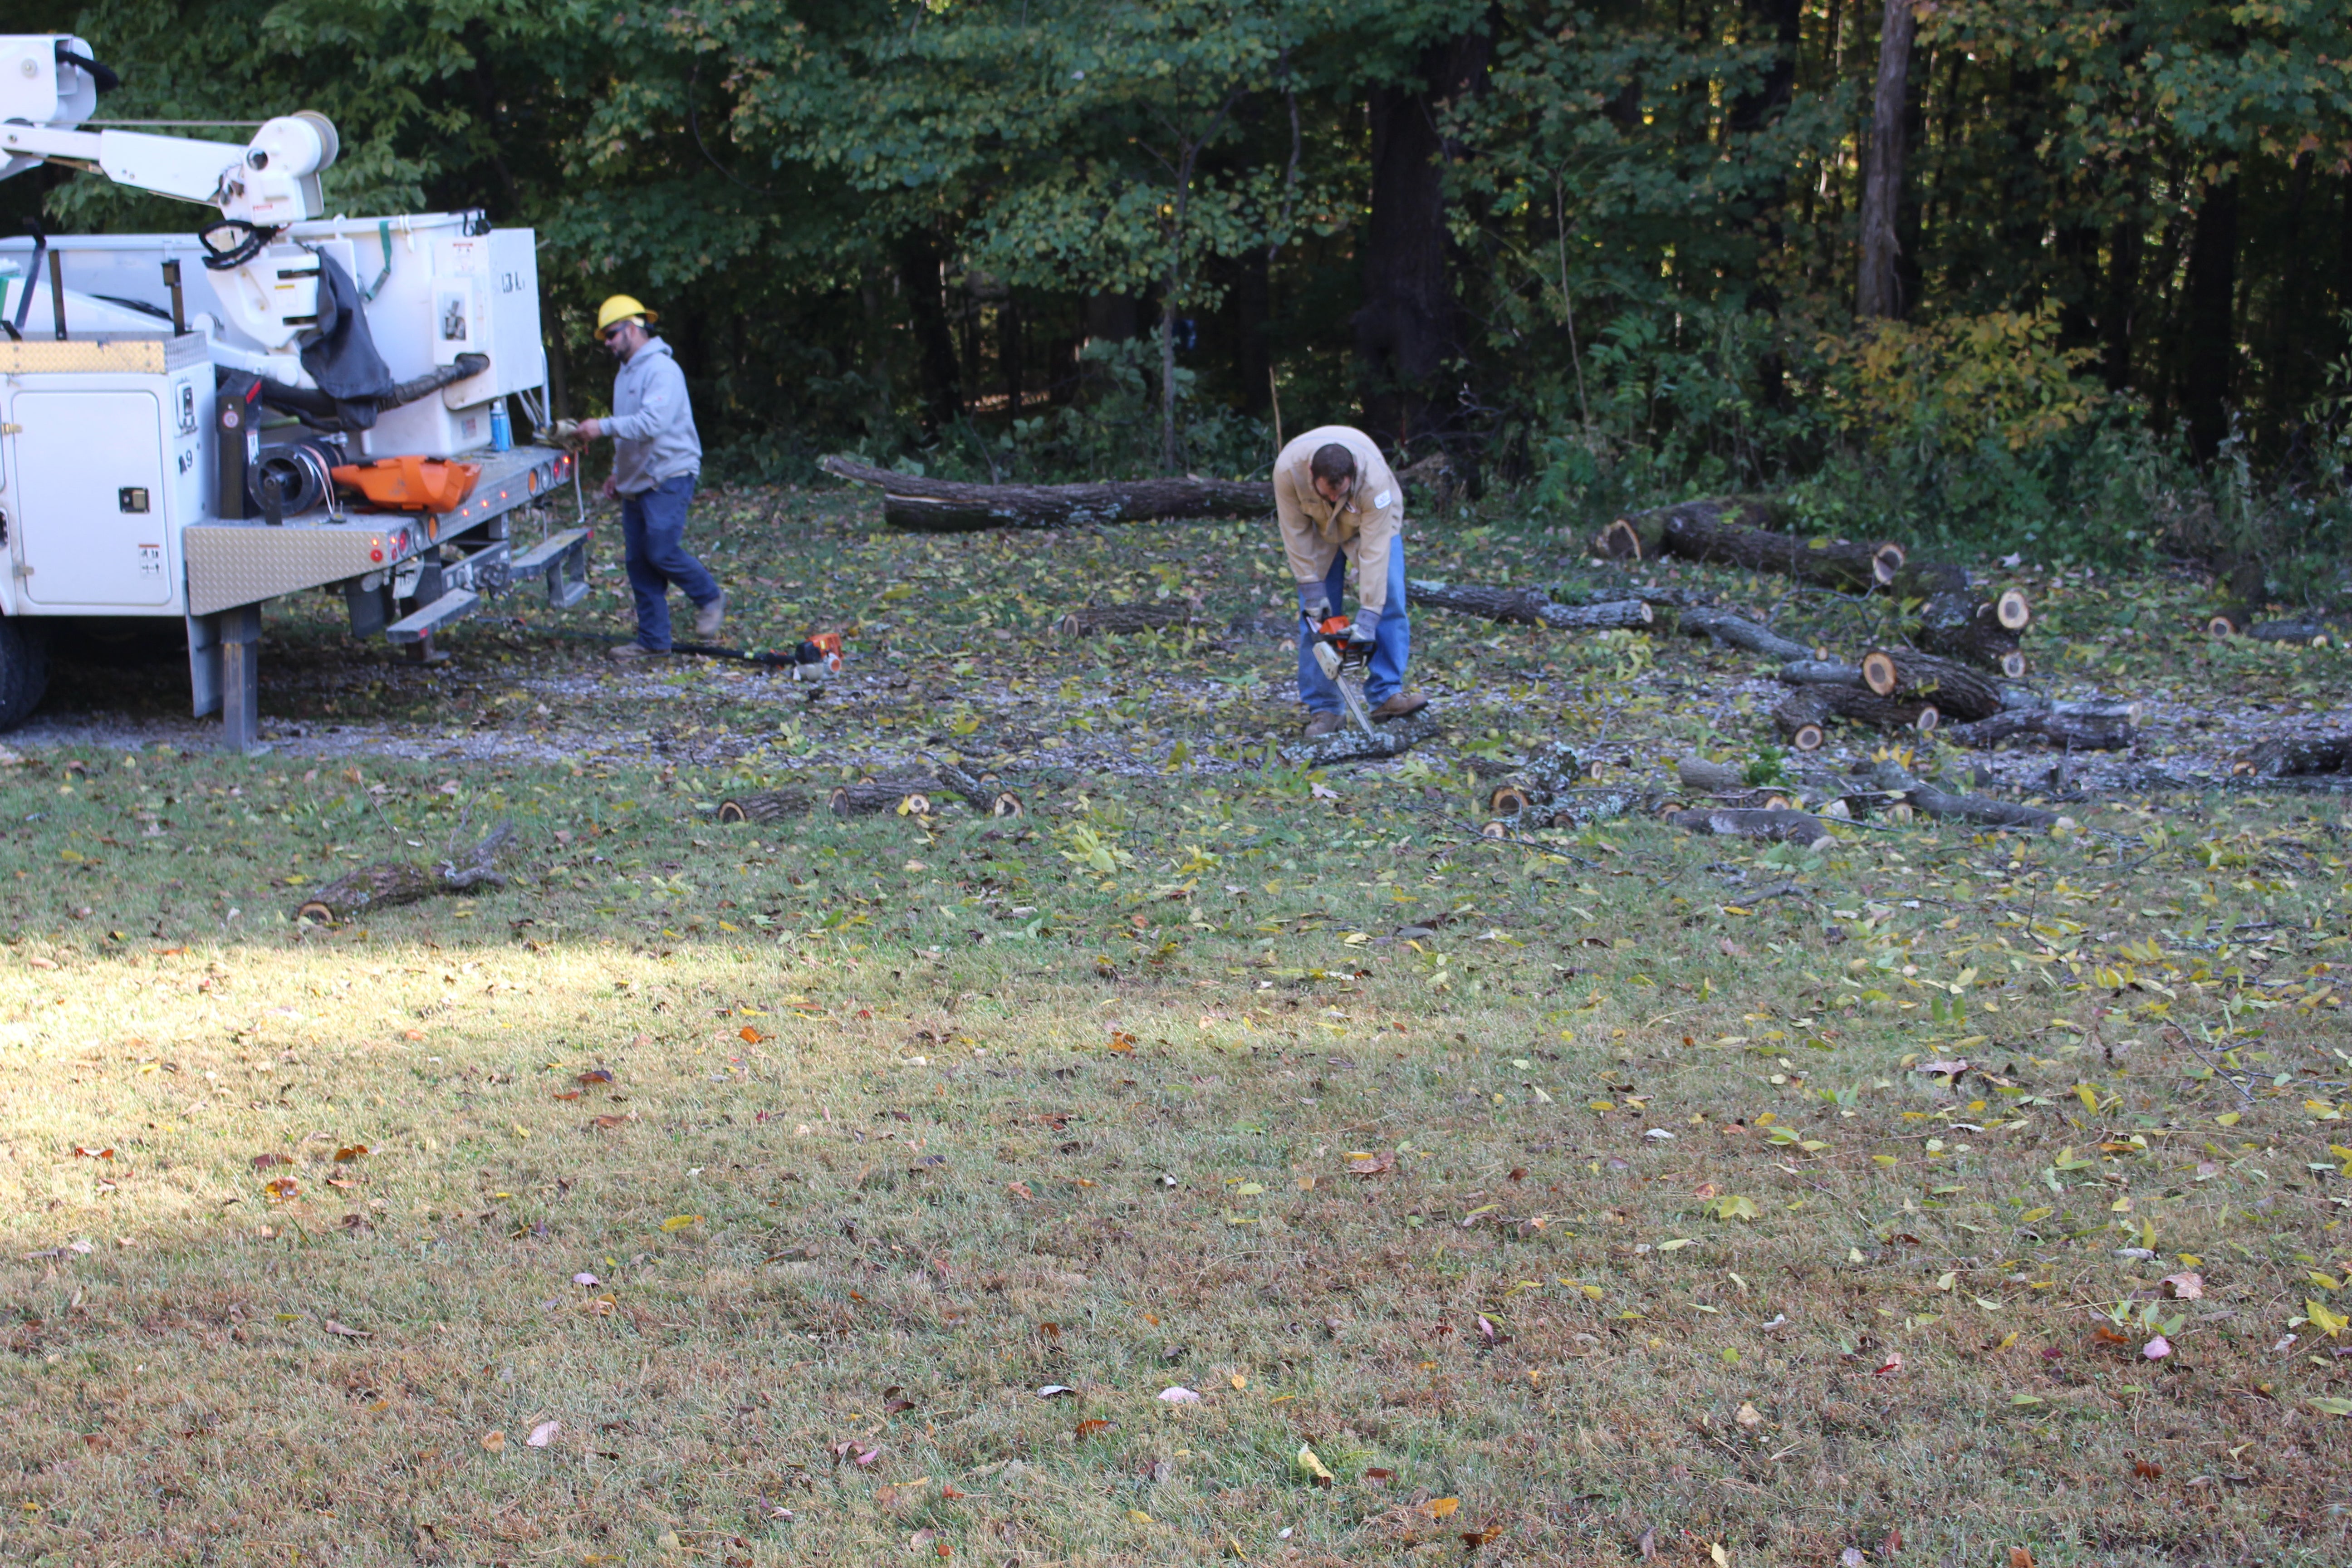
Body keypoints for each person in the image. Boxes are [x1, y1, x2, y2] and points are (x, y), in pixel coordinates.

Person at [573, 294, 724, 660]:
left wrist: (601, 427)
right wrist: (615, 473)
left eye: (611, 335)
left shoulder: (662, 370)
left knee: (661, 550)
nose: (607, 343)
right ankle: (654, 641)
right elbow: (631, 431)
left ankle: (711, 597)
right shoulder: (627, 373)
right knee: (639, 563)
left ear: (634, 327)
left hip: (670, 473)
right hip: (637, 480)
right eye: (605, 338)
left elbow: (652, 424)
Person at [1274, 425, 1428, 738]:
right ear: (1309, 473)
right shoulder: (1287, 473)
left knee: (1391, 597)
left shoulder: (1375, 482)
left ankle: (1386, 694)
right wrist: (1311, 587)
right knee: (1315, 618)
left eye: (1340, 491)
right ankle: (1325, 708)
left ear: (1354, 473)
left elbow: (1375, 554)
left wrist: (1368, 618)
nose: (1333, 497)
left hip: (1369, 526)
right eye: (1326, 492)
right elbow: (1295, 533)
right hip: (1317, 530)